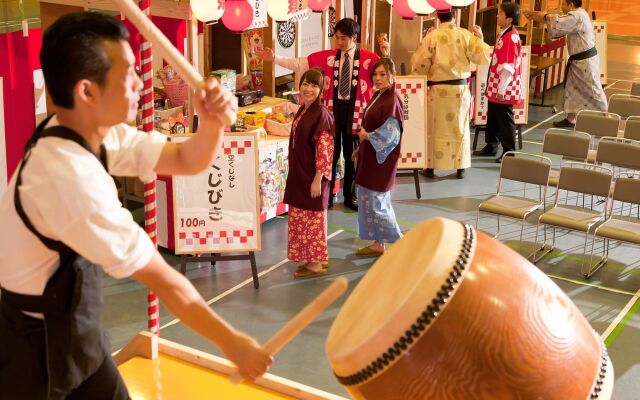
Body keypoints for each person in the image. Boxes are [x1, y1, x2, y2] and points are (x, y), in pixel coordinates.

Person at [0, 12, 271, 399]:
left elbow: (184, 160)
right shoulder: (70, 179)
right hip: (34, 351)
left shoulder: (87, 131)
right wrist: (233, 344)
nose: (140, 83)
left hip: (75, 327)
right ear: (87, 92)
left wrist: (210, 123)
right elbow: (166, 281)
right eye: (128, 73)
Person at [260, 18, 379, 211]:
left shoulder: (369, 59)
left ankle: (350, 195)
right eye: (337, 38)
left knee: (352, 155)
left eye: (343, 38)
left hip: (356, 112)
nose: (338, 42)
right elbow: (299, 64)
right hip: (332, 110)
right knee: (329, 155)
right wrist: (275, 58)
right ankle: (329, 193)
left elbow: (384, 77)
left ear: (354, 37)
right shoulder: (328, 57)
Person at [410, 7, 490, 179]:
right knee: (459, 128)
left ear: (438, 16)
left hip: (438, 90)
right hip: (459, 90)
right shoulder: (465, 35)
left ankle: (431, 167)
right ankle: (460, 167)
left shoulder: (432, 37)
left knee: (434, 129)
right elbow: (482, 56)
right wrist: (480, 38)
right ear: (454, 15)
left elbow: (419, 66)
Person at [283, 69, 335, 279]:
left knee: (312, 219)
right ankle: (312, 258)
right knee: (302, 217)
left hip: (311, 177)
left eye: (314, 85)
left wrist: (317, 179)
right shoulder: (304, 109)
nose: (308, 89)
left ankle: (315, 263)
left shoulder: (321, 114)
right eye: (306, 84)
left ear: (321, 89)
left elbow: (325, 150)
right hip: (301, 173)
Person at [525, 0, 607, 128]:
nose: (561, 6)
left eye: (563, 4)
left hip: (586, 62)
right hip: (578, 60)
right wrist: (538, 15)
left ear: (571, 5)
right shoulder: (578, 15)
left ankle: (607, 117)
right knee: (572, 88)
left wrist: (542, 16)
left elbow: (557, 23)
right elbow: (558, 27)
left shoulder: (577, 16)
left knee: (594, 89)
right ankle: (571, 118)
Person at [352, 58, 403, 257]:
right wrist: (361, 148)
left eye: (383, 74)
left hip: (381, 160)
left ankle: (399, 242)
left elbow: (390, 136)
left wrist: (366, 136)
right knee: (370, 201)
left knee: (377, 203)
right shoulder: (379, 95)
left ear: (392, 76)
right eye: (375, 74)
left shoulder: (392, 100)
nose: (378, 78)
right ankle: (378, 243)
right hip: (370, 156)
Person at [474, 1, 523, 163]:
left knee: (505, 119)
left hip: (504, 87)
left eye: (500, 13)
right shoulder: (504, 33)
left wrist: (502, 89)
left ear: (509, 19)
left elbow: (508, 67)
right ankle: (491, 144)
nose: (497, 15)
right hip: (496, 85)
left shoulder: (511, 37)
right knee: (493, 116)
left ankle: (509, 151)